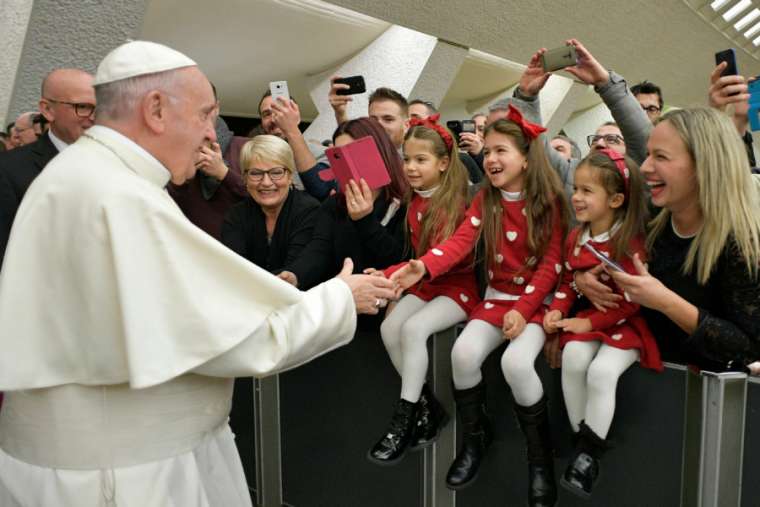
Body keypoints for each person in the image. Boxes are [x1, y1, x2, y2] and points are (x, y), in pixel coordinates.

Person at [0, 41, 398, 507]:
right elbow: (232, 337)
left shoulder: (87, 175)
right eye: (207, 114)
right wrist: (341, 299)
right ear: (155, 109)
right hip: (121, 477)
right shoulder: (117, 195)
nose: (213, 136)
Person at [392, 105, 568, 506]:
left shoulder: (552, 201)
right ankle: (476, 439)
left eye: (500, 150)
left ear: (526, 157)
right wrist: (422, 265)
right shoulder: (485, 199)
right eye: (486, 150)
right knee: (463, 353)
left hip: (537, 304)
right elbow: (459, 244)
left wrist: (523, 311)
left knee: (516, 364)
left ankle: (540, 461)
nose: (490, 159)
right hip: (496, 301)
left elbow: (550, 266)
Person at [542, 149, 662, 498]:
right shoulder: (575, 237)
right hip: (589, 323)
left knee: (602, 373)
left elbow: (633, 300)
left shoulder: (630, 241)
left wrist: (588, 321)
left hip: (626, 326)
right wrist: (559, 311)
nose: (576, 198)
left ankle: (588, 454)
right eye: (575, 189)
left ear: (616, 199)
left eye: (586, 191)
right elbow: (566, 281)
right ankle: (583, 442)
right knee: (574, 359)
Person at [603, 108, 760, 373]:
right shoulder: (650, 219)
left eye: (660, 157)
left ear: (703, 165)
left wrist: (666, 301)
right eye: (648, 154)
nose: (645, 167)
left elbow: (748, 348)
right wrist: (584, 282)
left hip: (701, 400)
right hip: (641, 380)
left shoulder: (742, 244)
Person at [367, 115, 475, 465]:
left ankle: (404, 419)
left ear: (444, 163)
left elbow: (447, 257)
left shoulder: (457, 202)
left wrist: (392, 273)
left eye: (420, 160)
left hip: (458, 288)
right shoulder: (415, 202)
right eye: (407, 158)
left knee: (413, 329)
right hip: (429, 284)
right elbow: (416, 262)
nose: (410, 167)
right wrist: (384, 275)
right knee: (389, 327)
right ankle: (428, 407)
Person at [511, 40, 652, 200]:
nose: (599, 144)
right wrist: (526, 97)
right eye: (595, 139)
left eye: (612, 139)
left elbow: (643, 138)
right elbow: (536, 150)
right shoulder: (569, 174)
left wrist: (606, 83)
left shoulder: (638, 179)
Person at [280, 117, 409, 289]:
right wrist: (295, 275)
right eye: (339, 156)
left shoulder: (406, 203)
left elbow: (396, 260)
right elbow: (319, 249)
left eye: (355, 153)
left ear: (379, 152)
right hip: (338, 295)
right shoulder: (335, 204)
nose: (349, 163)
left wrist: (365, 219)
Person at [0, 68, 95, 265]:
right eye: (83, 107)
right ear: (47, 110)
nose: (93, 117)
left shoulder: (115, 169)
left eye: (100, 108)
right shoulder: (9, 170)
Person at [222, 134, 319, 274]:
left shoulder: (309, 211)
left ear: (290, 176)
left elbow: (295, 271)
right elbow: (234, 269)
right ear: (245, 178)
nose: (266, 182)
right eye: (256, 173)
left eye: (276, 172)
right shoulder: (236, 215)